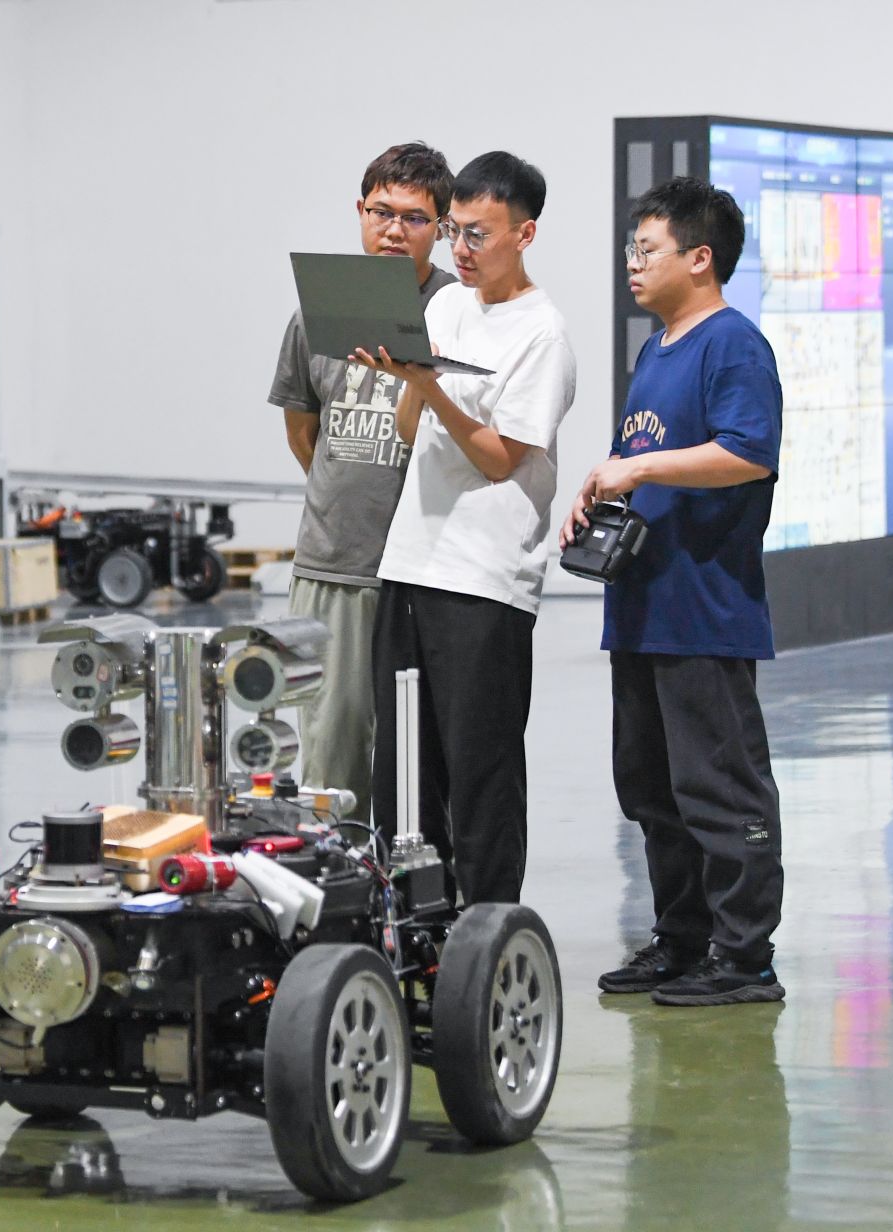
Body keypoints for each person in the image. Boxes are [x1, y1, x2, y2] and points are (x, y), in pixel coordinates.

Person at [563, 177, 785, 1006]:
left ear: (700, 258)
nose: (632, 262)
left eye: (647, 248)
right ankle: (682, 938)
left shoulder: (733, 345)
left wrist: (643, 466)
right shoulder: (657, 351)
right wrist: (601, 489)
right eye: (632, 248)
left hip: (705, 610)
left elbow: (748, 453)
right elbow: (643, 459)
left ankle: (744, 957)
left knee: (720, 789)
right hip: (642, 606)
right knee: (653, 791)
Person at [358, 151, 577, 905]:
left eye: (478, 234)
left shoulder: (543, 335)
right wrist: (407, 381)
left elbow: (497, 459)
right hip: (410, 563)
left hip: (483, 581)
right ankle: (412, 924)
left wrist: (432, 386)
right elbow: (407, 427)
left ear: (525, 233)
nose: (461, 249)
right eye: (454, 231)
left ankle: (488, 929)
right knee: (403, 770)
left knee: (480, 769)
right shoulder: (447, 306)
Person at [267, 141, 457, 820]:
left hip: (425, 571)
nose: (393, 229)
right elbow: (303, 432)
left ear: (441, 228)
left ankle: (414, 880)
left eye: (414, 217)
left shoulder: (457, 312)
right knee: (330, 749)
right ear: (360, 211)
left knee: (419, 755)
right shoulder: (318, 311)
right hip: (333, 565)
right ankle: (338, 878)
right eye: (381, 212)